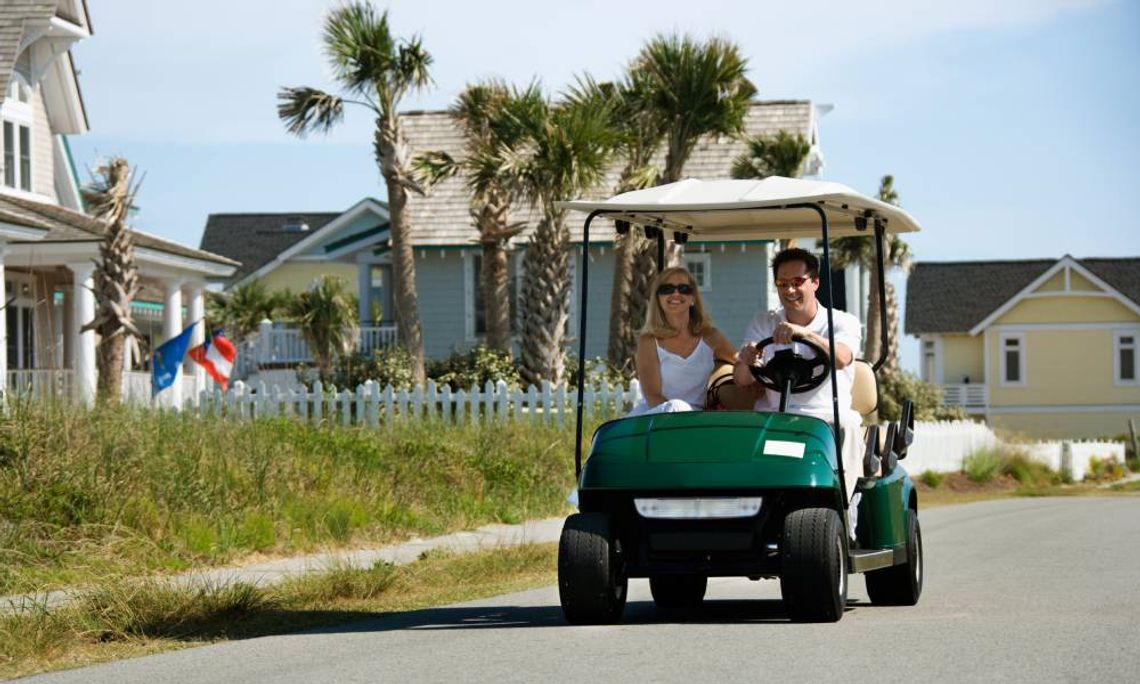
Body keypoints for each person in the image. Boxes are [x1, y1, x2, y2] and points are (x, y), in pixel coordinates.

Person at [732, 247, 866, 536]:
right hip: (776, 417)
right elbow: (742, 379)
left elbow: (842, 358)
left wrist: (804, 334)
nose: (790, 290)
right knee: (741, 433)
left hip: (825, 418)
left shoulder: (842, 322)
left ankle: (844, 508)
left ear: (815, 282)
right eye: (782, 284)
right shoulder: (764, 322)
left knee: (850, 424)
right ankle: (749, 522)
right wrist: (746, 358)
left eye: (797, 282)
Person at [627, 266, 738, 417]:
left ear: (693, 298)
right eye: (667, 289)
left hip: (694, 419)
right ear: (658, 298)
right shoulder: (649, 341)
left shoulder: (710, 337)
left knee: (678, 407)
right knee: (676, 406)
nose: (675, 293)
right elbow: (652, 395)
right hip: (658, 416)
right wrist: (677, 419)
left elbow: (739, 360)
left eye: (684, 288)